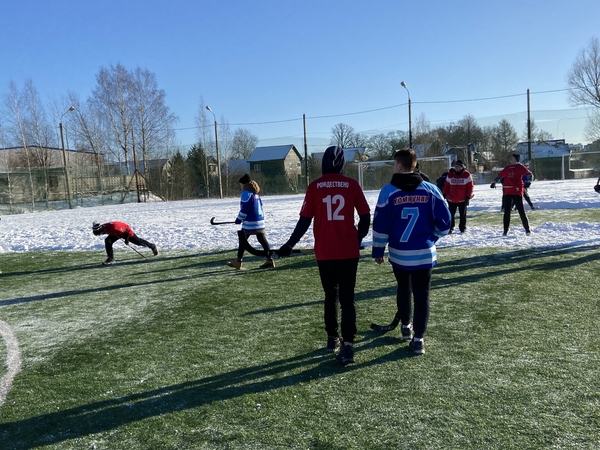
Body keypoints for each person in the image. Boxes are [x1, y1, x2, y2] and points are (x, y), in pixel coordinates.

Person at [277, 145, 371, 365]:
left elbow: (304, 221)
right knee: (348, 299)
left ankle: (332, 338)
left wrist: (289, 244)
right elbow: (366, 217)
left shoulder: (314, 187)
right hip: (348, 251)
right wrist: (357, 238)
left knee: (331, 296)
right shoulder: (352, 185)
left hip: (325, 252)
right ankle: (348, 345)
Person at [372, 149, 451, 355]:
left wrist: (378, 249)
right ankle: (418, 340)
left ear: (399, 165)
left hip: (399, 252)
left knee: (403, 289)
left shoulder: (387, 191)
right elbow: (446, 223)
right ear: (414, 165)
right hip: (424, 252)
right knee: (422, 294)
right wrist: (432, 237)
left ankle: (406, 326)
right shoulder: (431, 189)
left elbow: (380, 225)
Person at [228, 173, 274, 269]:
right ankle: (270, 259)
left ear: (244, 184)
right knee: (262, 239)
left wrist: (239, 219)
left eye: (241, 184)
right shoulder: (255, 194)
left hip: (250, 222)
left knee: (243, 241)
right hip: (260, 221)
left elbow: (245, 208)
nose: (240, 186)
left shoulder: (246, 193)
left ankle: (238, 261)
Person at [490, 153, 533, 236]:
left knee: (521, 211)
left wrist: (528, 182)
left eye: (512, 158)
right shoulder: (508, 168)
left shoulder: (520, 167)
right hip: (507, 192)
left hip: (517, 191)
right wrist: (494, 182)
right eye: (510, 158)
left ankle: (527, 229)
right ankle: (505, 230)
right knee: (507, 212)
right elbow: (500, 175)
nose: (510, 159)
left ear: (516, 159)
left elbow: (530, 174)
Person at [92, 221, 158, 265]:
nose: (101, 234)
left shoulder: (115, 227)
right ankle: (110, 258)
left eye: (100, 233)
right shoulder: (104, 228)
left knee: (139, 242)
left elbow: (126, 231)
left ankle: (152, 246)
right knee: (108, 241)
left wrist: (127, 240)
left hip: (126, 232)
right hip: (116, 233)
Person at [442, 160, 474, 233]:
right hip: (451, 199)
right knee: (450, 214)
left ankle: (462, 227)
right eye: (455, 166)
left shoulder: (467, 175)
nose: (456, 168)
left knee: (462, 214)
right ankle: (451, 227)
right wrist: (444, 194)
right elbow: (446, 186)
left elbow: (470, 187)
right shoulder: (450, 175)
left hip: (462, 199)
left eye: (458, 166)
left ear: (462, 167)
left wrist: (468, 197)